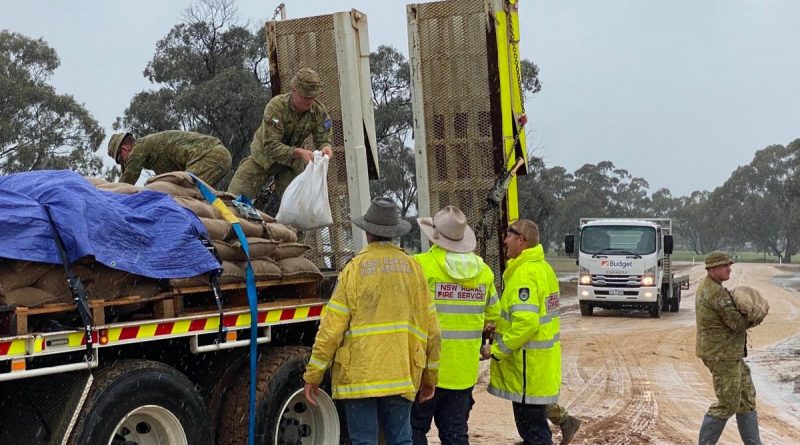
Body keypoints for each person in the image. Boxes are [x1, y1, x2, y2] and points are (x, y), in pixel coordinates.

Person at [303, 197, 441, 445]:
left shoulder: (353, 270)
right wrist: (430, 377)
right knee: (401, 440)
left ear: (368, 233)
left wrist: (313, 375)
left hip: (359, 377)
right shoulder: (414, 269)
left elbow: (330, 330)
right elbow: (432, 330)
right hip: (400, 373)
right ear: (394, 233)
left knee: (363, 441)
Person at [410, 206, 499, 445]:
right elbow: (494, 315)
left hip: (427, 370)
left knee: (415, 431)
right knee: (455, 433)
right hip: (463, 372)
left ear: (434, 237)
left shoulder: (421, 265)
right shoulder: (484, 272)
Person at [481, 219, 561, 445]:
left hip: (528, 371)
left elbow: (527, 324)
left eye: (509, 234)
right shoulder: (543, 269)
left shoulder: (524, 274)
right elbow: (531, 317)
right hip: (540, 368)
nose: (504, 240)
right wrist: (500, 326)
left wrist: (496, 350)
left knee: (534, 435)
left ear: (521, 240)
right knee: (535, 431)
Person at [228, 67, 334, 202]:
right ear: (294, 90)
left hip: (290, 165)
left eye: (312, 97)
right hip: (262, 159)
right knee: (232, 202)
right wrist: (299, 152)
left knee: (297, 207)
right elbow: (271, 147)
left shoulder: (319, 112)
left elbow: (323, 139)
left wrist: (325, 148)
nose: (309, 101)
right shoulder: (276, 107)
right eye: (305, 97)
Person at [696, 251, 762, 445]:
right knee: (727, 403)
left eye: (729, 265)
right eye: (724, 265)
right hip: (721, 355)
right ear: (711, 269)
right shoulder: (716, 293)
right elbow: (737, 324)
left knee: (746, 398)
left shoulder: (714, 287)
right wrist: (755, 317)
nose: (729, 269)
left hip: (728, 353)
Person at [107, 130, 232, 187]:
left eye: (120, 160)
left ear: (124, 149)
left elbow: (125, 184)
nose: (124, 163)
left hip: (210, 155)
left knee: (184, 189)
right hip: (217, 155)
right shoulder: (155, 156)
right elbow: (167, 183)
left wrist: (103, 195)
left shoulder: (138, 148)